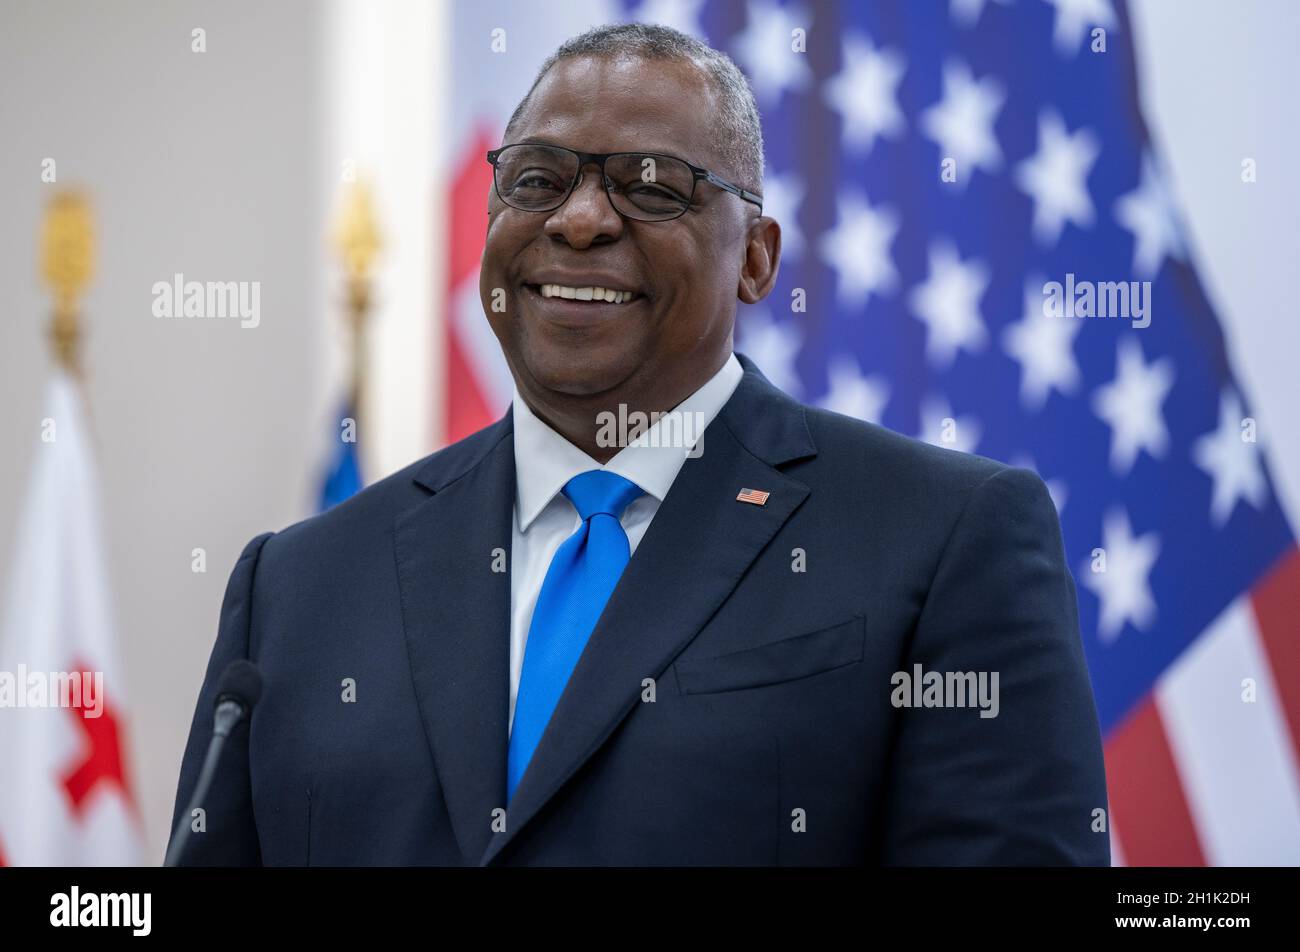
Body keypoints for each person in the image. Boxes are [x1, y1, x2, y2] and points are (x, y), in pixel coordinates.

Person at [169, 23, 1109, 866]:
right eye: (535, 180)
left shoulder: (943, 539)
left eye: (652, 187)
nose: (579, 219)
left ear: (757, 256)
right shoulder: (296, 586)